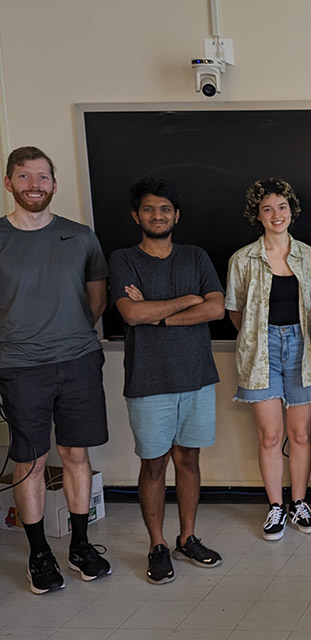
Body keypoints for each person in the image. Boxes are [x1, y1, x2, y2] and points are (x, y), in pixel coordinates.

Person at [0, 146, 111, 594]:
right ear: (9, 183)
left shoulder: (80, 236)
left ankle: (81, 545)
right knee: (30, 461)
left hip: (79, 361)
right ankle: (38, 554)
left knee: (75, 455)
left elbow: (97, 298)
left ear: (54, 184)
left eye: (42, 177)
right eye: (24, 177)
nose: (34, 185)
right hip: (20, 366)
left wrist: (73, 336)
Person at [108, 178, 225, 584]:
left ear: (177, 215)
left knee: (189, 461)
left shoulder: (196, 257)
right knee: (154, 465)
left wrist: (156, 313)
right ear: (136, 216)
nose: (157, 216)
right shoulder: (123, 258)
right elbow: (130, 314)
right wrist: (187, 300)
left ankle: (187, 538)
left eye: (165, 209)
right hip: (148, 381)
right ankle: (158, 545)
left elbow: (216, 309)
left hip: (196, 377)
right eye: (149, 209)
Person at [225, 178, 311, 540]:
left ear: (291, 211)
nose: (276, 214)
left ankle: (299, 503)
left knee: (300, 435)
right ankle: (275, 508)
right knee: (270, 436)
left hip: (303, 350)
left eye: (281, 207)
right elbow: (236, 312)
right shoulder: (243, 259)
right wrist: (258, 338)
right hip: (260, 352)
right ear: (258, 215)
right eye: (267, 208)